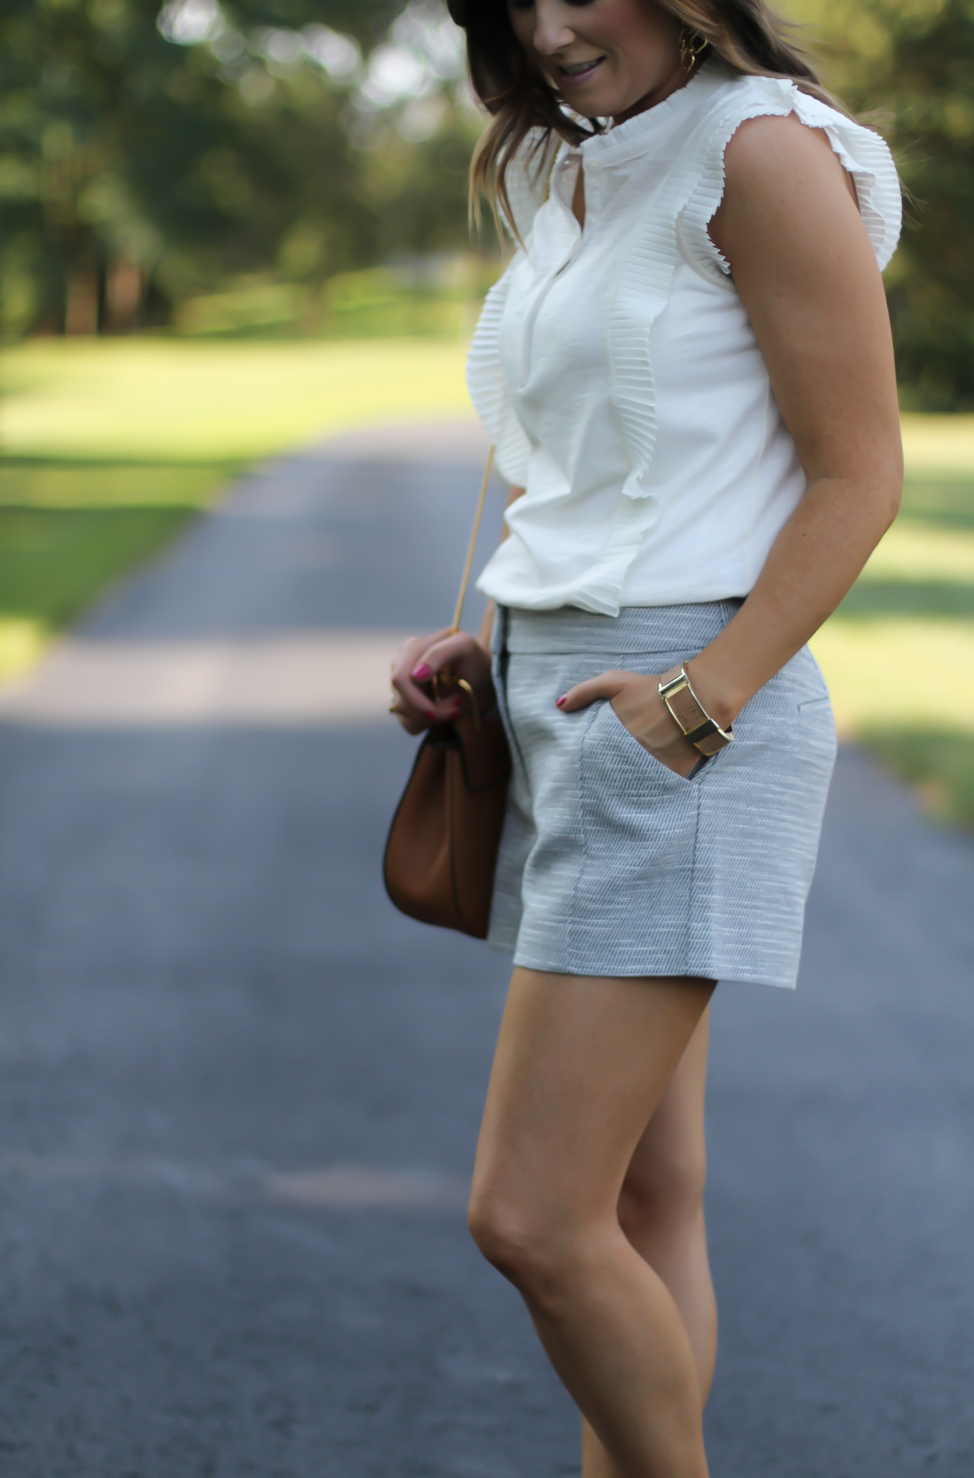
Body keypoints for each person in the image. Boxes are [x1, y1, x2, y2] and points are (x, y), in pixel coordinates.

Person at [390, 1, 902, 1472]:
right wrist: (482, 643)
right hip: (563, 689)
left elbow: (858, 472)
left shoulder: (761, 149)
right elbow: (597, 470)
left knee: (530, 1214)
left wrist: (703, 696)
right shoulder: (571, 162)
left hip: (680, 703)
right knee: (639, 1197)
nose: (546, 27)